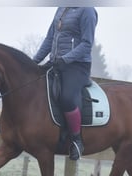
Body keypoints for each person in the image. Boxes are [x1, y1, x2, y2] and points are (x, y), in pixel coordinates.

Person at [33, 7, 98, 160]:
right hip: (56, 63)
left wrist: (66, 59)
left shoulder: (88, 11)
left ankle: (76, 140)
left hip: (77, 66)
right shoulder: (62, 8)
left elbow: (87, 44)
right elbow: (50, 38)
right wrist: (33, 63)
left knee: (67, 97)